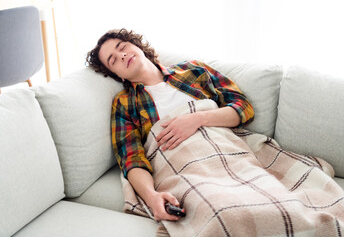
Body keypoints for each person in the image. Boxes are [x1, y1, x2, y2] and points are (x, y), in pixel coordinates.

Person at [86, 28, 254, 222]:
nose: (122, 55)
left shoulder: (194, 70)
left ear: (136, 45)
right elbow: (132, 158)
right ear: (117, 75)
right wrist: (152, 197)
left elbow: (244, 107)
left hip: (227, 151)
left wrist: (198, 119)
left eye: (122, 47)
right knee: (223, 212)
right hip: (186, 168)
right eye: (113, 60)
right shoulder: (124, 103)